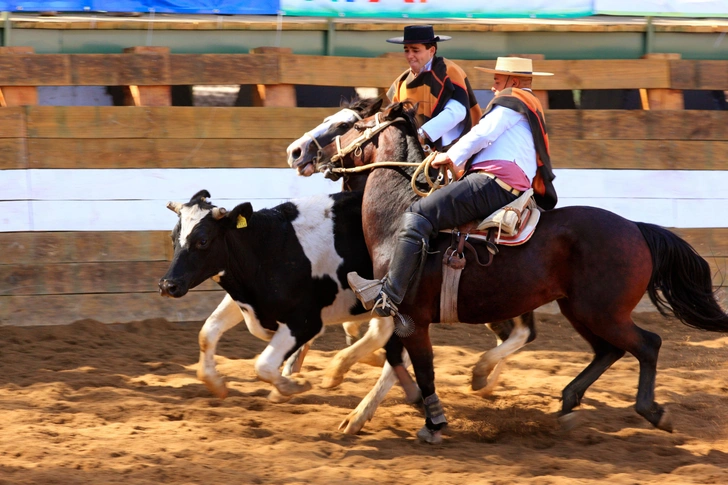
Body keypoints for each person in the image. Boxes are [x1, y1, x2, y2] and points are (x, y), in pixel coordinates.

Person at [349, 57, 558, 319]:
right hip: (503, 181)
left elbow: (483, 133)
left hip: (494, 182)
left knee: (418, 215)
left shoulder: (511, 100)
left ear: (513, 81)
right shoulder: (525, 107)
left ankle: (389, 295)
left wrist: (450, 156)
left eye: (496, 80)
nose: (493, 87)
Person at [386, 25, 482, 151]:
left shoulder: (448, 71)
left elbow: (457, 111)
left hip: (454, 149)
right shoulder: (401, 83)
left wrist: (422, 133)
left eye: (415, 50)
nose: (410, 55)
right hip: (415, 152)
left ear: (431, 50)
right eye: (406, 50)